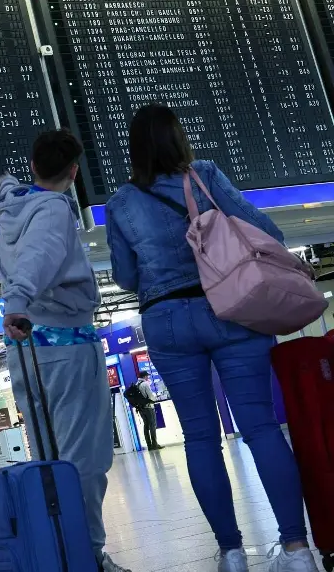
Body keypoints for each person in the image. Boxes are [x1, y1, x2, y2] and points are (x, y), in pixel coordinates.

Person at [105, 103, 317, 572]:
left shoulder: (119, 203)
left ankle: (232, 553)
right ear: (177, 138)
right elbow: (265, 229)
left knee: (200, 437)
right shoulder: (203, 175)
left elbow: (124, 276)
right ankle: (297, 550)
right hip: (234, 310)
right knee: (260, 427)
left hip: (167, 321)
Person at [0, 129, 130, 572]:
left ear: (33, 165)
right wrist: (17, 302)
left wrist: (17, 306)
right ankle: (85, 555)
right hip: (64, 348)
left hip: (28, 350)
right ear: (74, 173)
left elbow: (29, 256)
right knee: (83, 462)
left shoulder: (13, 209)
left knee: (50, 460)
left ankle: (59, 551)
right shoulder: (53, 210)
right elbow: (41, 256)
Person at [135, 371, 161, 451]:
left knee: (146, 426)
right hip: (149, 407)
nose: (148, 377)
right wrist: (155, 398)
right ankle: (154, 444)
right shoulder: (145, 384)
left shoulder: (136, 384)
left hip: (141, 408)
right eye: (147, 376)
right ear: (145, 376)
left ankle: (149, 445)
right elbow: (150, 396)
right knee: (152, 425)